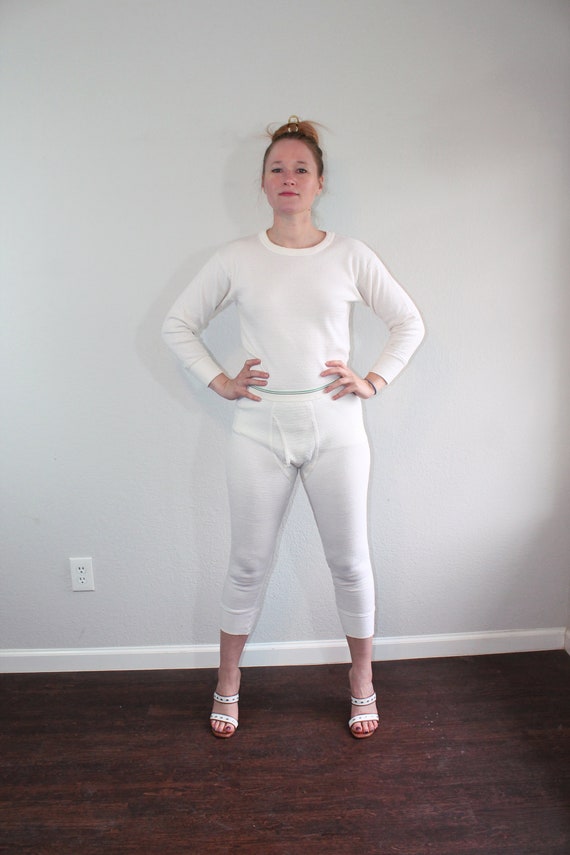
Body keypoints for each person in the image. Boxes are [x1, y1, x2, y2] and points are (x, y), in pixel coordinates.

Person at [162, 116, 424, 739]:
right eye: (277, 168)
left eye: (301, 168)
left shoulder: (351, 255)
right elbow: (178, 324)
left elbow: (408, 323)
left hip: (337, 426)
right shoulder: (236, 257)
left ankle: (361, 679)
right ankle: (228, 680)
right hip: (259, 428)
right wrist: (220, 381)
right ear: (262, 182)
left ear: (319, 182)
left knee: (350, 562)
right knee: (247, 564)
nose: (289, 178)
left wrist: (374, 379)